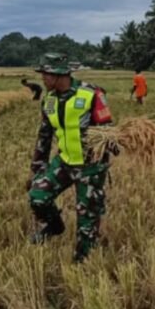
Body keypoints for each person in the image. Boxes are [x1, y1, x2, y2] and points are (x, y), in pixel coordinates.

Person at [25, 54, 117, 262]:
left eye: (46, 74)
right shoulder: (48, 100)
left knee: (87, 218)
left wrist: (112, 143)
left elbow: (107, 129)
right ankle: (54, 227)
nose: (43, 79)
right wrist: (36, 168)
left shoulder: (91, 94)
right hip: (64, 162)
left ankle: (82, 261)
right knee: (37, 196)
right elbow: (44, 136)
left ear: (59, 75)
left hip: (90, 166)